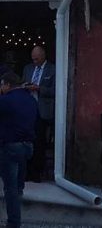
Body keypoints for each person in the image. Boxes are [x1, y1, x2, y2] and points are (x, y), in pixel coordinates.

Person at [0, 72, 37, 228]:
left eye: (1, 85)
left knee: (10, 188)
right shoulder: (31, 100)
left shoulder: (6, 100)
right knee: (18, 185)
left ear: (7, 85)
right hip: (27, 146)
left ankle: (14, 223)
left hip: (11, 146)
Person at [21, 46, 55, 183]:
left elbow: (56, 90)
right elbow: (21, 83)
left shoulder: (52, 69)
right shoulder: (28, 68)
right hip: (28, 109)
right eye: (33, 58)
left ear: (43, 56)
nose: (34, 61)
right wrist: (25, 86)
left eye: (37, 58)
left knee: (39, 142)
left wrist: (39, 88)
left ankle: (37, 173)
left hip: (43, 111)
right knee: (26, 141)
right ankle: (27, 172)